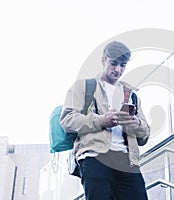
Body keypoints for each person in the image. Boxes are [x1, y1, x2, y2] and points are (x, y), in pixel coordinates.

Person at [60, 41, 150, 200]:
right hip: (95, 157)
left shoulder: (132, 95)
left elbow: (144, 136)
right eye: (113, 63)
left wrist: (136, 125)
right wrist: (103, 120)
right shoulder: (83, 87)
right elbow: (67, 120)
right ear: (103, 60)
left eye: (122, 65)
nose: (118, 69)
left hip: (127, 162)